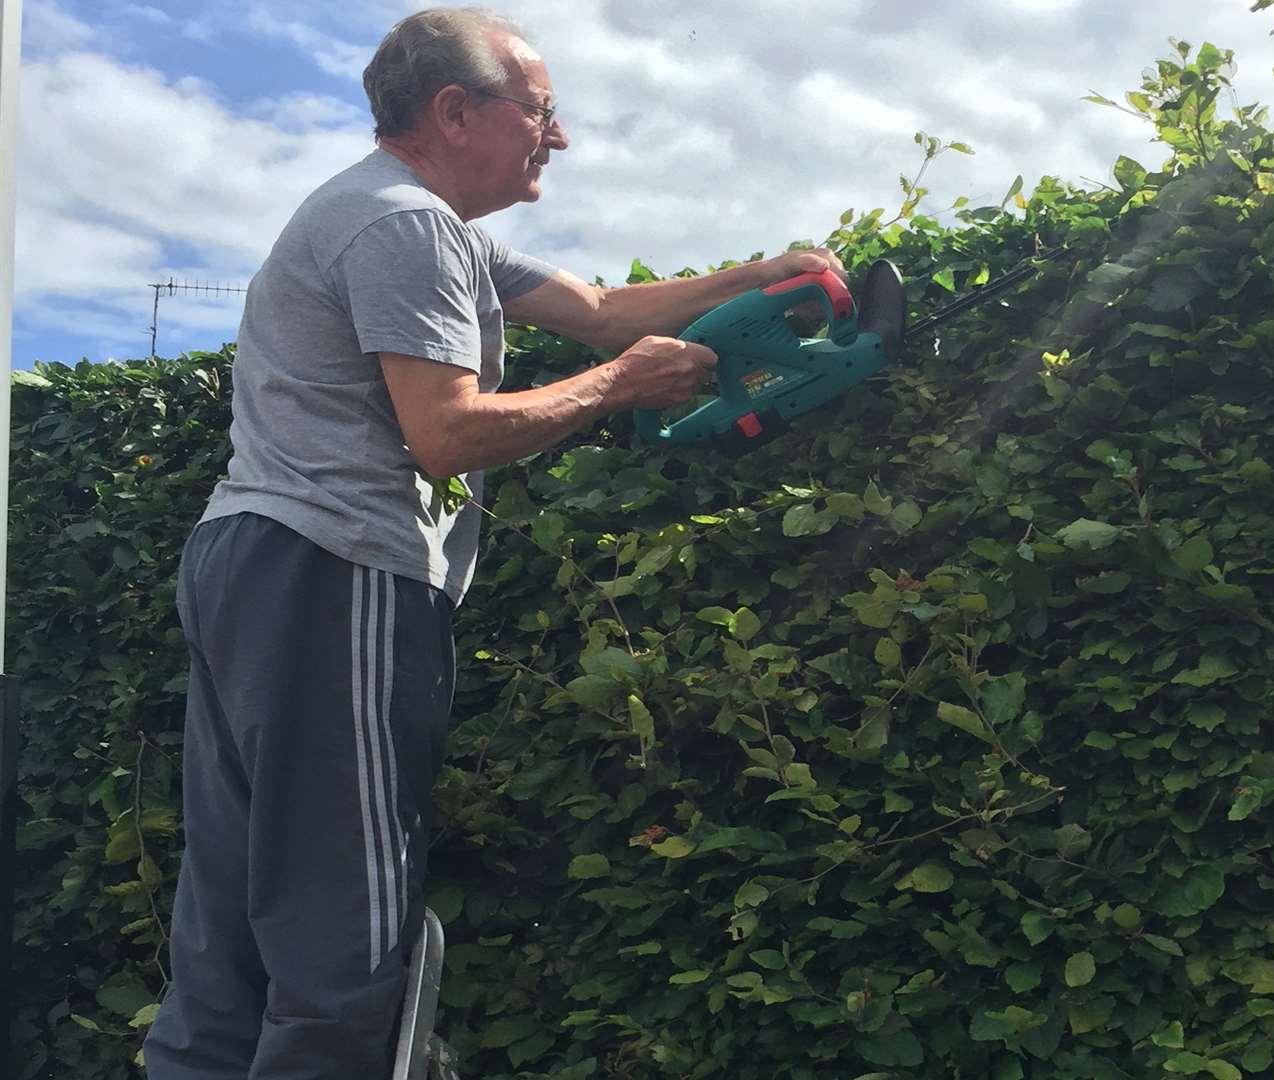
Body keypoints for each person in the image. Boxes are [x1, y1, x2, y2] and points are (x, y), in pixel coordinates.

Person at [142, 8, 847, 1077]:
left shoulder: (429, 227)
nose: (556, 138)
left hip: (258, 558)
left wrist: (759, 278)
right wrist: (623, 389)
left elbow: (603, 308)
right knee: (348, 923)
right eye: (541, 111)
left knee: (232, 920)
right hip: (339, 568)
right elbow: (446, 432)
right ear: (455, 111)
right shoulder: (401, 227)